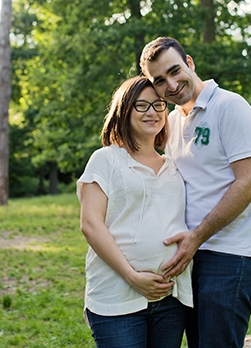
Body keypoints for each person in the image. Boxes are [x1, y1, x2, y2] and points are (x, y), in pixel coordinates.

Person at [140, 37, 251, 348]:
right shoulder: (170, 121)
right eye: (159, 81)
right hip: (191, 254)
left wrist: (197, 236)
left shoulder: (230, 107)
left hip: (231, 253)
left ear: (190, 63)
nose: (171, 84)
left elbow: (250, 182)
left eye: (175, 70)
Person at [77, 76, 193, 348]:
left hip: (170, 297)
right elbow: (90, 224)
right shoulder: (106, 159)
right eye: (141, 105)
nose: (152, 112)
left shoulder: (174, 164)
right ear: (124, 111)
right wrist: (133, 277)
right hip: (117, 296)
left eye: (158, 104)